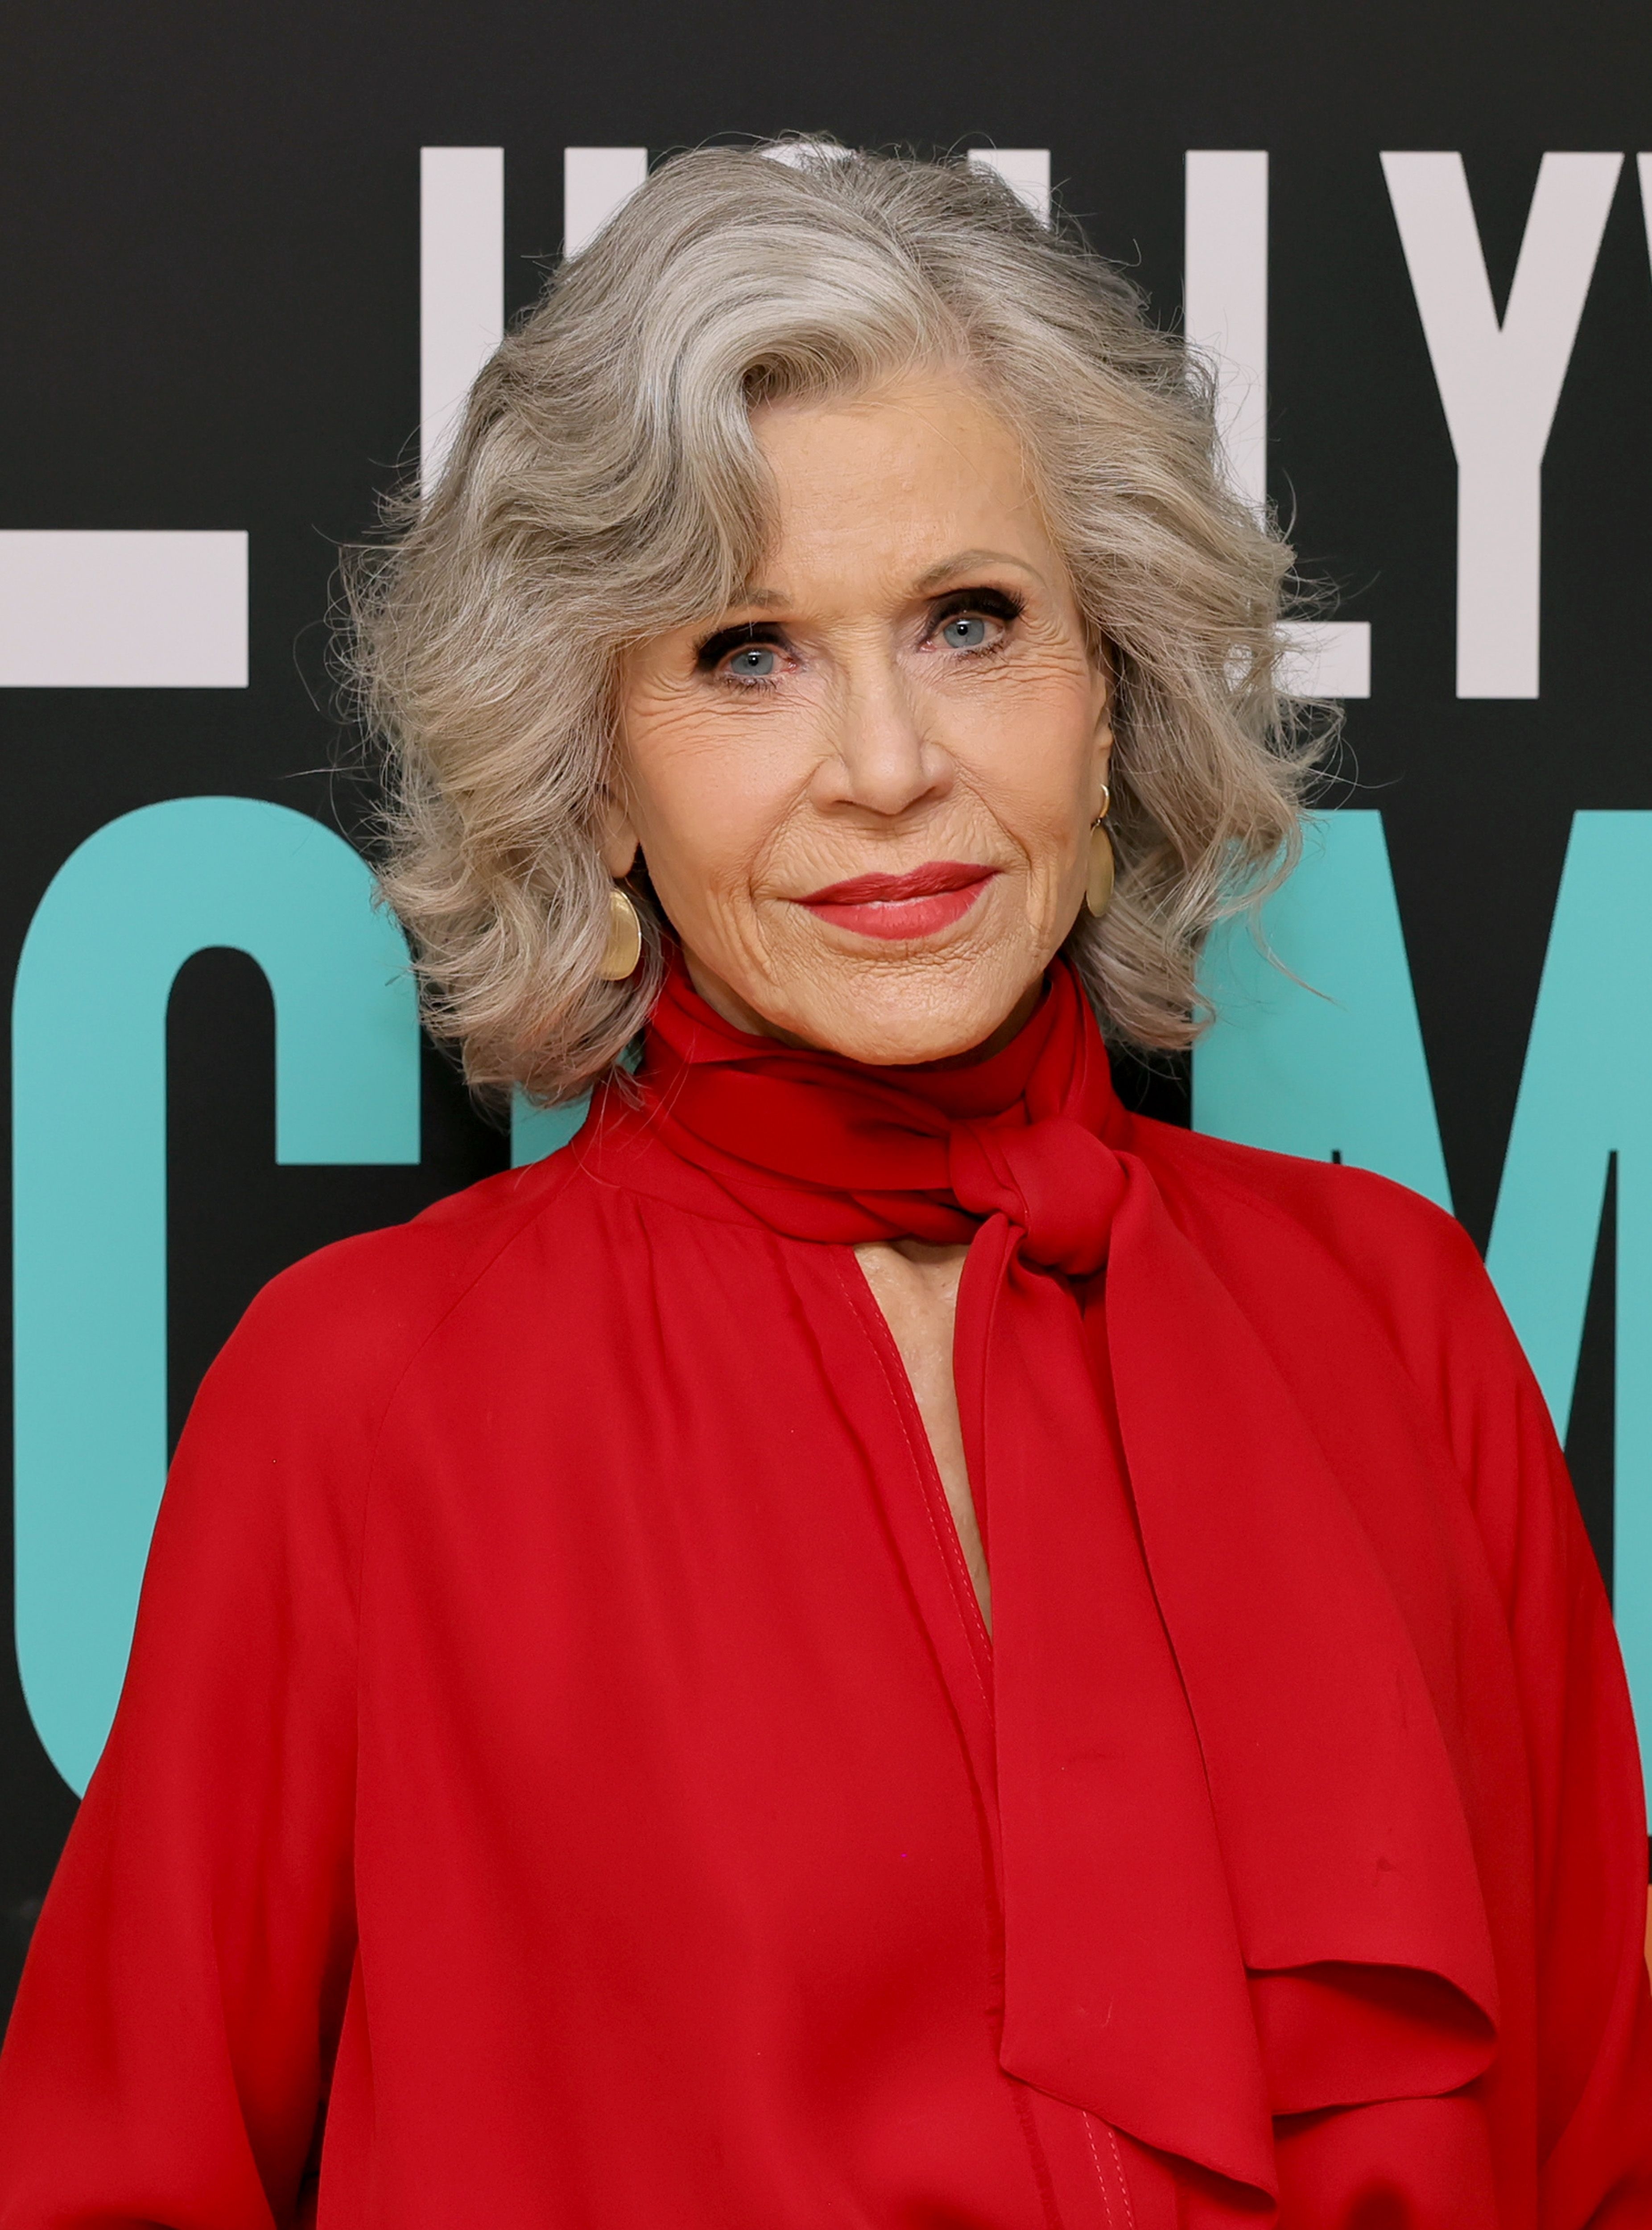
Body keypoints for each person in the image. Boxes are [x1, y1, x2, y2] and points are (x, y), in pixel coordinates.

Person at [0, 143, 1647, 2230]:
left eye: (970, 622)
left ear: (1110, 684)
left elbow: (1597, 2143)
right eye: (746, 651)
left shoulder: (1389, 1322)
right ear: (594, 769)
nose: (884, 764)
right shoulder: (364, 1402)